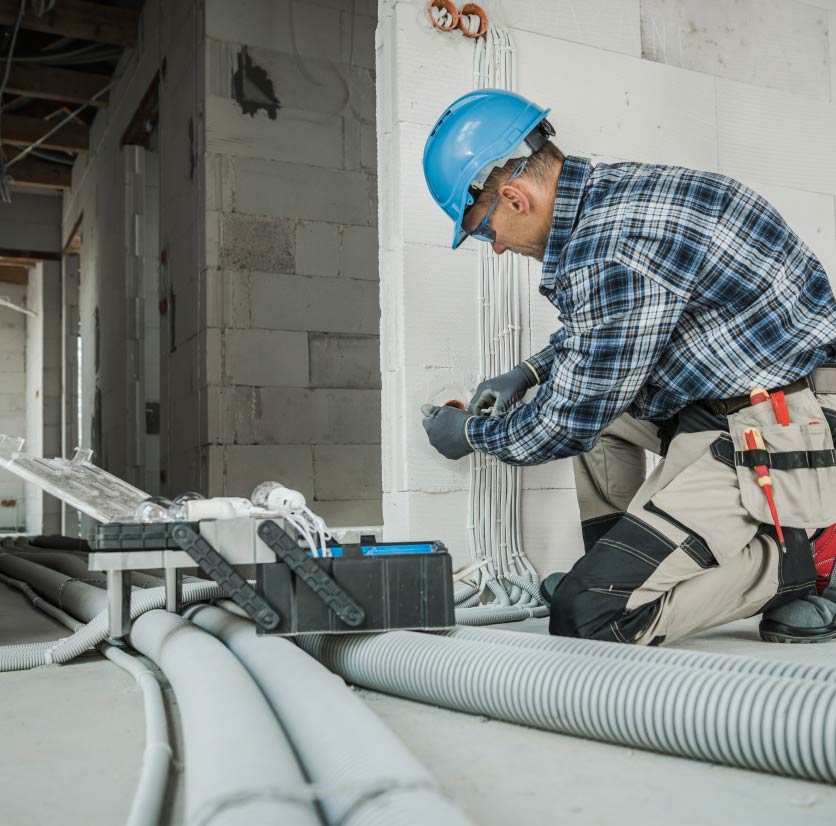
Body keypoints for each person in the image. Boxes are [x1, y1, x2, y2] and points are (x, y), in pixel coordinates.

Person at [420, 88, 836, 645]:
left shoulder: (609, 247)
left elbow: (568, 420)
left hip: (784, 425)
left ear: (516, 198)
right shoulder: (609, 194)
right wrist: (530, 373)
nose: (494, 248)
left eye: (484, 231)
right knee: (603, 417)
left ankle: (805, 564)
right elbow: (611, 332)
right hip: (732, 401)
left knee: (589, 617)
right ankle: (616, 567)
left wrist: (472, 434)